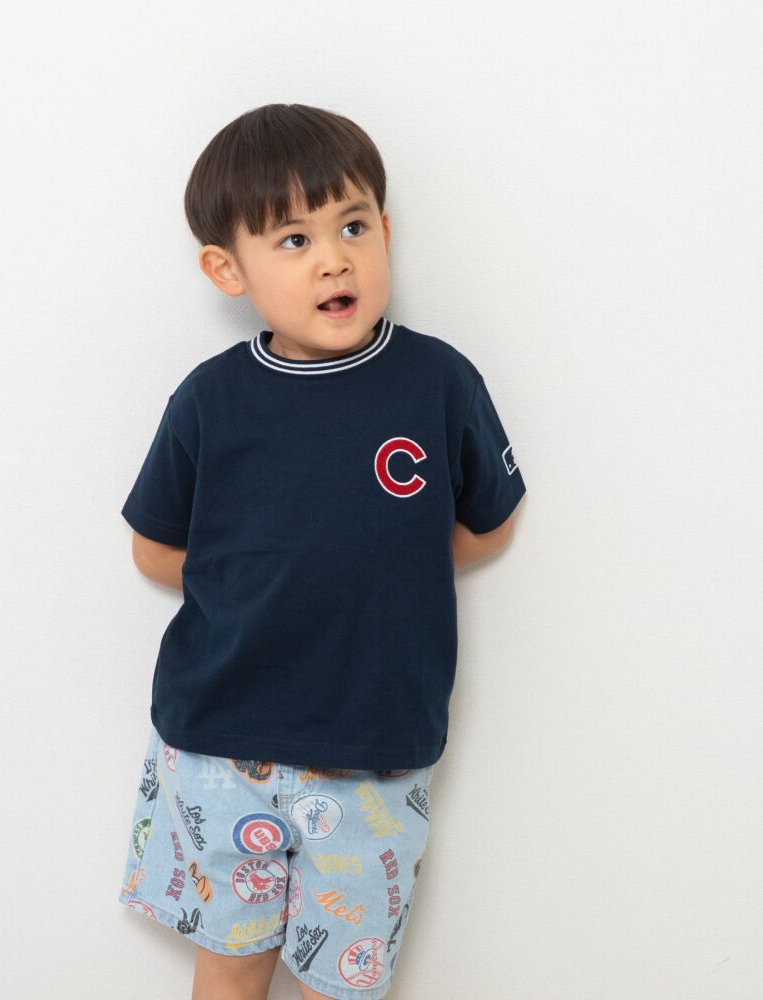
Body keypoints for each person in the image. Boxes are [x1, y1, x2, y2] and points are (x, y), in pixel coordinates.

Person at [117, 103, 527, 1000]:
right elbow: (154, 549)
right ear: (228, 268)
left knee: (342, 982)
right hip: (219, 746)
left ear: (386, 232)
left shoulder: (439, 382)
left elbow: (491, 520)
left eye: (352, 227)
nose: (334, 258)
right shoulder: (210, 402)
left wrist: (391, 559)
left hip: (371, 754)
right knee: (231, 964)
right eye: (294, 240)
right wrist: (264, 576)